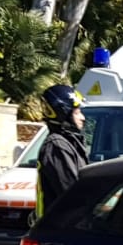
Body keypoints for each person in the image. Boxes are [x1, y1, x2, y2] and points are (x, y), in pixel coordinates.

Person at [36, 83, 88, 222]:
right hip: (59, 231)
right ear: (63, 114)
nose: (82, 117)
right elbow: (72, 193)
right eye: (77, 113)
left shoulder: (69, 143)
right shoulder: (57, 146)